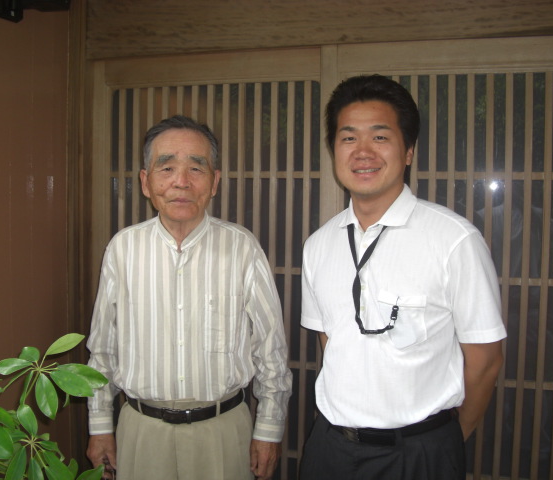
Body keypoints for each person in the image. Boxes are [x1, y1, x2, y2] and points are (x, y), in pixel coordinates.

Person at [299, 75, 506, 480]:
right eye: (348, 138)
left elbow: (485, 361)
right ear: (333, 149)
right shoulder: (318, 245)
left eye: (380, 137)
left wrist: (445, 441)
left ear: (408, 150)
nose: (362, 152)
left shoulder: (453, 240)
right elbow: (330, 340)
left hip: (419, 453)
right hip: (330, 448)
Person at [86, 115, 292, 480]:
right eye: (166, 168)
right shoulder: (123, 249)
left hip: (223, 431)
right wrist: (100, 425)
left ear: (214, 182)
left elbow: (270, 348)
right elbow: (103, 349)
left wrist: (269, 430)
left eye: (196, 168)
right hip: (142, 432)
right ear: (146, 182)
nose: (181, 181)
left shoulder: (242, 248)